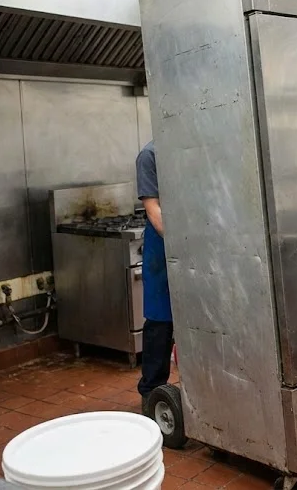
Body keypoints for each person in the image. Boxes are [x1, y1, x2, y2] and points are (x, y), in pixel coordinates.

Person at [135, 140, 174, 411]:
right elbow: (154, 209)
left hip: (201, 241)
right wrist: (179, 243)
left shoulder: (195, 147)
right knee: (161, 322)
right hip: (162, 249)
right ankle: (151, 394)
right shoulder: (149, 156)